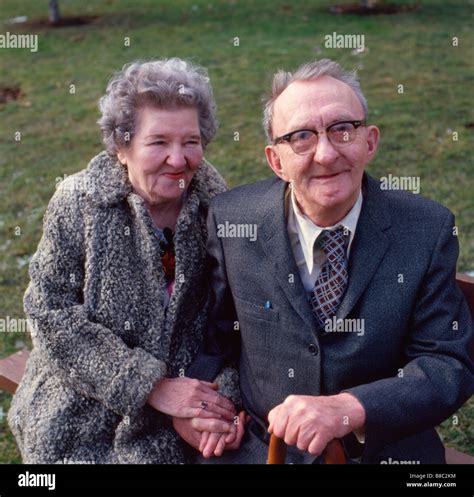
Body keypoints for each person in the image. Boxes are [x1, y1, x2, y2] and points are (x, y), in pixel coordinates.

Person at [176, 58, 474, 463]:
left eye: (342, 129)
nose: (326, 153)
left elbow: (448, 363)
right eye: (301, 136)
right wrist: (196, 409)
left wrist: (350, 408)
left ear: (370, 141)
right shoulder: (232, 220)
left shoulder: (426, 228)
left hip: (386, 453)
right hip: (259, 450)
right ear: (276, 160)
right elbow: (215, 337)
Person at [7, 58, 245, 464]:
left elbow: (232, 317)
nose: (179, 159)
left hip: (184, 414)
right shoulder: (79, 202)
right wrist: (150, 387)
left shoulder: (217, 205)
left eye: (191, 141)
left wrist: (214, 399)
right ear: (122, 147)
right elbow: (49, 313)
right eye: (158, 142)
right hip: (79, 413)